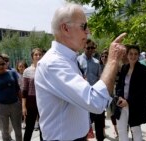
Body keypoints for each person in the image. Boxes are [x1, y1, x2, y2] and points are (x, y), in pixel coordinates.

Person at [34, 3, 127, 141]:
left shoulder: (69, 59)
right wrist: (112, 60)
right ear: (65, 28)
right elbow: (95, 102)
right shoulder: (54, 63)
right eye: (83, 26)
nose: (88, 32)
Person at [115, 45, 146, 141]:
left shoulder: (142, 69)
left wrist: (129, 101)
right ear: (127, 55)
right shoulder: (124, 68)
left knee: (135, 130)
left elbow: (143, 91)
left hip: (134, 105)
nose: (133, 56)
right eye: (131, 54)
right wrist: (119, 97)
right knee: (121, 130)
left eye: (135, 54)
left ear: (138, 55)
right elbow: (120, 85)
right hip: (122, 103)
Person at [0, 54, 22, 141]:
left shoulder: (12, 73)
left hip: (15, 105)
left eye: (2, 64)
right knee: (4, 131)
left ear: (5, 64)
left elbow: (18, 89)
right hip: (2, 107)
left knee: (18, 130)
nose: (1, 66)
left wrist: (21, 103)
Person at [77, 39, 104, 141]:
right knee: (84, 126)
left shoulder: (97, 62)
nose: (90, 50)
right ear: (84, 48)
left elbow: (100, 78)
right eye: (88, 48)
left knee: (99, 124)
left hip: (94, 95)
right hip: (82, 97)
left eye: (92, 48)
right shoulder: (77, 60)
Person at [22, 48, 43, 141]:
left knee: (44, 127)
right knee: (29, 127)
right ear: (32, 57)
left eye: (40, 54)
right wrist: (23, 106)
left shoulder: (45, 69)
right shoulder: (27, 71)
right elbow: (24, 90)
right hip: (31, 101)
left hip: (43, 101)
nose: (38, 56)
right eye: (36, 54)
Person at [15, 60, 28, 129]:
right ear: (17, 67)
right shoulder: (16, 75)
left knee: (26, 109)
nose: (21, 68)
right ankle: (22, 122)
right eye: (20, 67)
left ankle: (25, 121)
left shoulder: (27, 74)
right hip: (19, 94)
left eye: (23, 67)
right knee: (20, 109)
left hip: (26, 94)